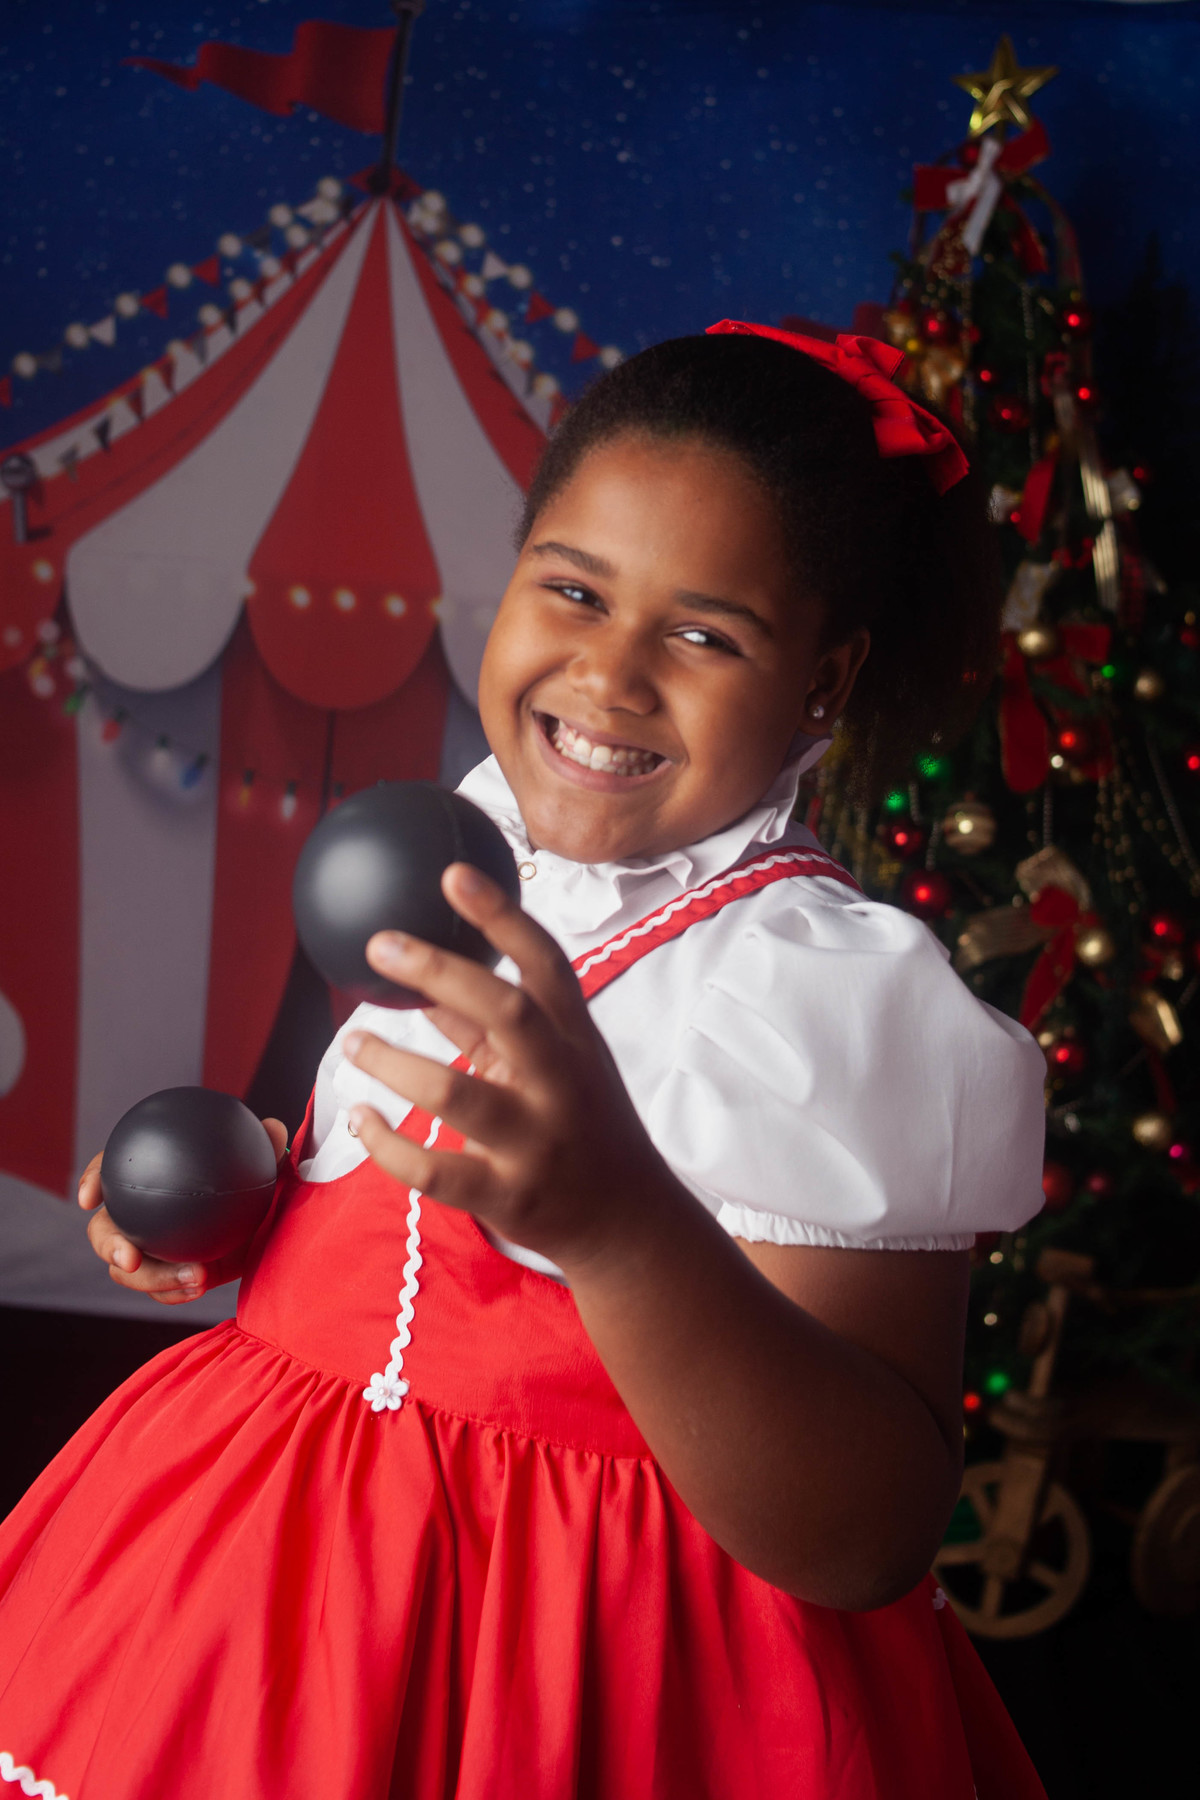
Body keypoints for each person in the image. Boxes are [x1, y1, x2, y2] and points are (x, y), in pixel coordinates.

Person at [0, 324, 1049, 1800]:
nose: (609, 674)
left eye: (704, 632)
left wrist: (618, 1226)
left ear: (826, 682)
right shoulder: (455, 849)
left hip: (574, 1660)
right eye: (571, 589)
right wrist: (242, 1196)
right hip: (262, 1600)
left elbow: (866, 1533)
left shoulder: (819, 995)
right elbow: (365, 1182)